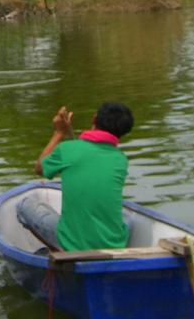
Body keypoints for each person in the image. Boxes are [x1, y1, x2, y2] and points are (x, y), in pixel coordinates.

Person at [18, 102, 135, 251]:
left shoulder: (67, 149)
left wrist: (59, 133)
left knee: (24, 205)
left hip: (73, 244)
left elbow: (40, 168)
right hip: (112, 244)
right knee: (128, 216)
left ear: (94, 118)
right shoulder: (120, 159)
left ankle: (60, 249)